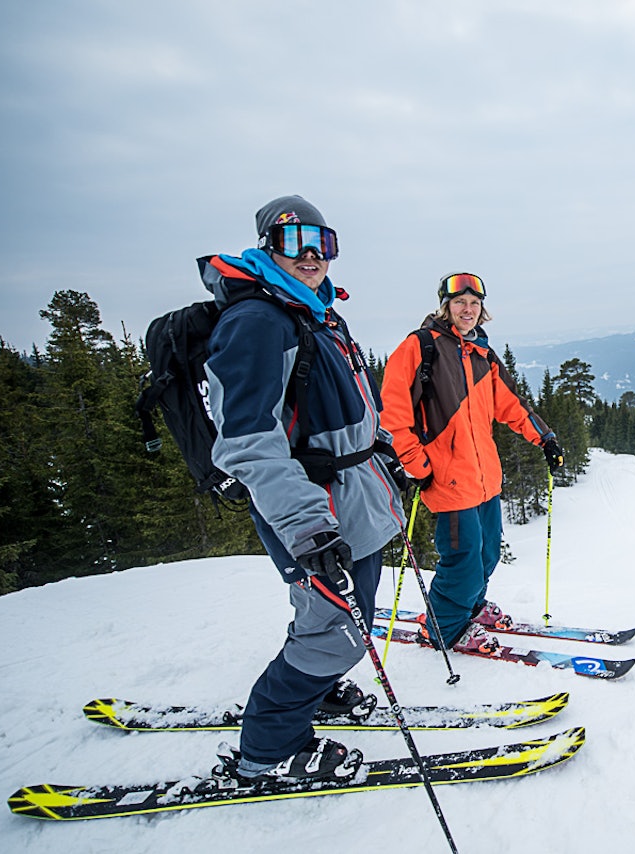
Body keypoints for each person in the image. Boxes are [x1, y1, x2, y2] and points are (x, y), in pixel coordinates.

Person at [202, 195, 405, 782]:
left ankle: (318, 689)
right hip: (313, 510)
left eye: (324, 242)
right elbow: (247, 441)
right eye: (295, 243)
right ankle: (267, 750)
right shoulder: (257, 323)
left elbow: (335, 404)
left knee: (346, 615)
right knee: (336, 631)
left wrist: (379, 442)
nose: (313, 255)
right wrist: (308, 526)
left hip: (353, 496)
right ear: (269, 248)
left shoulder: (312, 314)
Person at [380, 272, 563, 654]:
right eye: (460, 302)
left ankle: (471, 606)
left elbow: (510, 404)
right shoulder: (420, 347)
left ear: (482, 310)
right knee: (462, 560)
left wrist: (544, 437)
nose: (468, 309)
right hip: (446, 477)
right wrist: (415, 462)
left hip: (485, 478)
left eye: (474, 303)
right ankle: (444, 630)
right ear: (445, 307)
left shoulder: (482, 354)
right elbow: (392, 412)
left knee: (487, 552)